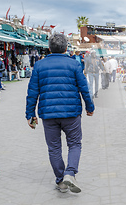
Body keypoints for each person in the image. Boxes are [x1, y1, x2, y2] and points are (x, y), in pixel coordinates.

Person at [25, 33, 95, 193]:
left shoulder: (39, 65)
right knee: (75, 144)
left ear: (49, 48)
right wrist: (90, 107)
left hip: (48, 115)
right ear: (65, 48)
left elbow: (32, 92)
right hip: (71, 113)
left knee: (54, 148)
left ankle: (60, 180)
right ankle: (70, 173)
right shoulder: (74, 64)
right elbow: (84, 88)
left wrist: (30, 114)